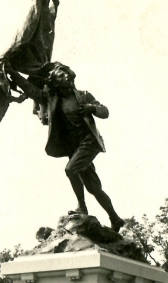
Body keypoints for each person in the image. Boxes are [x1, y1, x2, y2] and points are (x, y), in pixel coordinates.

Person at [7, 63, 124, 231]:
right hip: (74, 148)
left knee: (70, 170)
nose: (66, 77)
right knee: (94, 188)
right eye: (61, 76)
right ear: (55, 83)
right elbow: (29, 88)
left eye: (66, 74)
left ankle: (81, 207)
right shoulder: (51, 99)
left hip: (89, 142)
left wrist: (93, 108)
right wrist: (12, 71)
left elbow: (105, 111)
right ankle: (115, 218)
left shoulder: (83, 96)